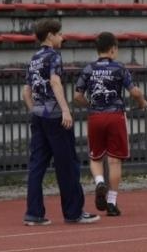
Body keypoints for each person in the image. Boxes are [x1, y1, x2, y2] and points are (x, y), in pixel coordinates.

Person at [22, 18, 98, 226]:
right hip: (54, 115)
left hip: (39, 115)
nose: (62, 37)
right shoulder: (54, 56)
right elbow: (55, 82)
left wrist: (34, 111)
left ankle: (33, 213)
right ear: (50, 36)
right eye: (59, 34)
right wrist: (65, 110)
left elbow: (26, 91)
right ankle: (73, 212)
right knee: (67, 164)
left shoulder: (34, 58)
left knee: (37, 165)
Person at [73, 31, 147, 218]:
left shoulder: (88, 69)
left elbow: (77, 96)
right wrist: (142, 103)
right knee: (115, 160)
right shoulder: (119, 68)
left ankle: (99, 181)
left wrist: (90, 105)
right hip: (115, 116)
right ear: (113, 49)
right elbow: (134, 92)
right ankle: (112, 202)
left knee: (96, 157)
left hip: (96, 117)